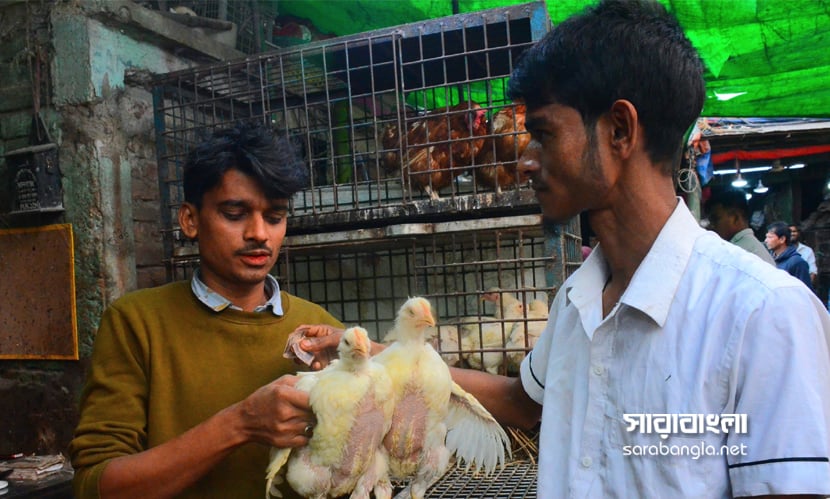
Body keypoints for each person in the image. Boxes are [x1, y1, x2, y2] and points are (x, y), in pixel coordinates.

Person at [299, 1, 830, 497]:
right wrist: (383, 356)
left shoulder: (762, 316)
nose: (527, 160)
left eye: (544, 134)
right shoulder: (577, 298)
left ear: (619, 130)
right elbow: (520, 402)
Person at [68, 123, 344, 499]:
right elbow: (96, 486)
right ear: (190, 220)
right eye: (235, 213)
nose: (259, 233)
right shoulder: (136, 322)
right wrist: (240, 424)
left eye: (275, 216)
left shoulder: (321, 331)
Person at [704, 189, 775, 265]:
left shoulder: (739, 252)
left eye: (716, 219)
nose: (711, 226)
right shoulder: (750, 247)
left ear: (735, 218)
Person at [766, 221, 813, 290]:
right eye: (766, 237)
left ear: (782, 239)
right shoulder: (769, 259)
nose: (766, 240)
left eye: (770, 237)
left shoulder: (797, 262)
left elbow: (805, 292)